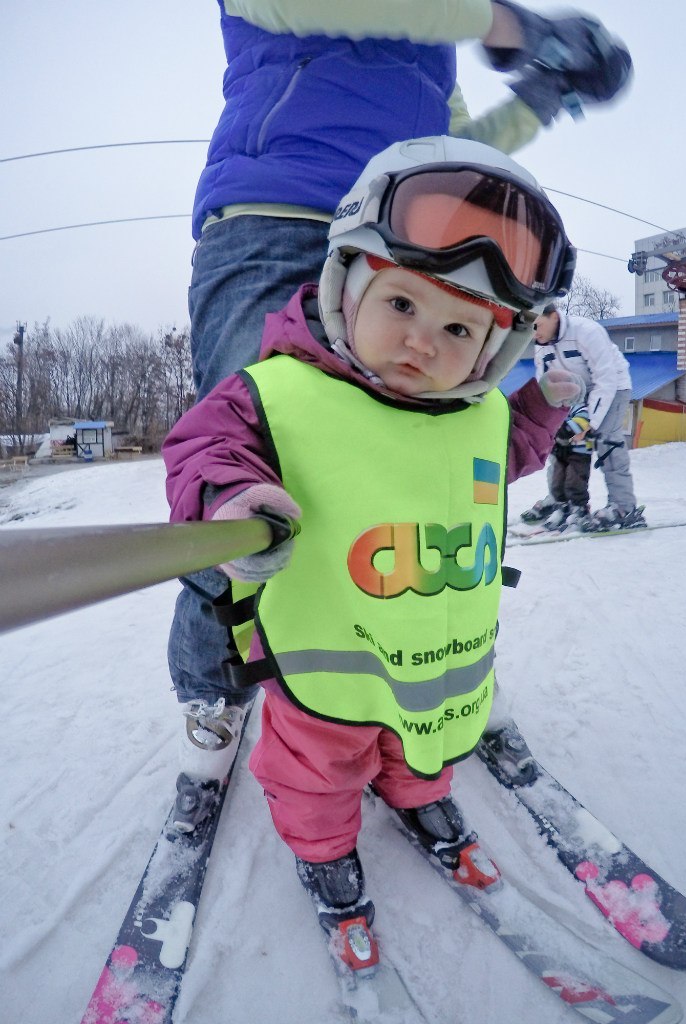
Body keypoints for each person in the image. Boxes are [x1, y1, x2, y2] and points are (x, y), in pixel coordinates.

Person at [169, 0, 633, 832]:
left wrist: (539, 95)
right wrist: (515, 28)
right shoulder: (435, 14)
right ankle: (217, 688)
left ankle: (426, 673)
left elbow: (452, 153)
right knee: (249, 465)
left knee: (435, 474)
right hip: (283, 219)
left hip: (413, 239)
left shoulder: (438, 52)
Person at [163, 136, 584, 953]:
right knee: (314, 777)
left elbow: (502, 467)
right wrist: (233, 502)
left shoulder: (477, 414)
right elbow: (203, 451)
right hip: (323, 665)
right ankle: (324, 856)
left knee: (426, 748)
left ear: (494, 349)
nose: (424, 341)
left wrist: (536, 411)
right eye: (401, 305)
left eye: (460, 327)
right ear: (345, 281)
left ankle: (420, 796)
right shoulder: (279, 391)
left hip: (437, 664)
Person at [528, 303, 647, 530]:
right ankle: (559, 499)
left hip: (612, 387)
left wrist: (589, 422)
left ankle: (623, 506)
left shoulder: (586, 332)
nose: (534, 333)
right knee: (560, 443)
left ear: (553, 316)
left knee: (607, 440)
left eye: (538, 325)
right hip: (575, 392)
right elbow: (547, 383)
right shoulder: (541, 345)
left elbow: (606, 377)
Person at [534, 401, 594, 531]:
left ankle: (580, 510)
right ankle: (562, 508)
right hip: (561, 451)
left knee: (575, 481)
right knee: (557, 481)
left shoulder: (577, 405)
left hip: (579, 452)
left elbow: (583, 419)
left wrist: (567, 428)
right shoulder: (555, 407)